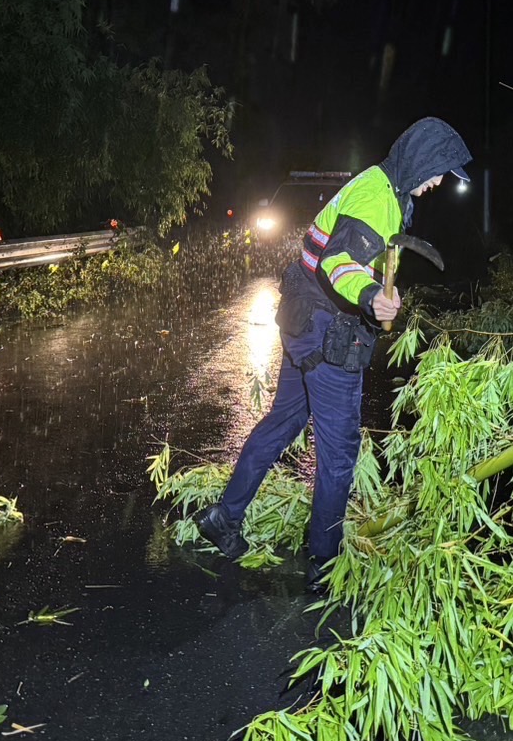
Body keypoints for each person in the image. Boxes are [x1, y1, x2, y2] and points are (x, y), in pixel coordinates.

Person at [195, 117, 472, 588]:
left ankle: (225, 516)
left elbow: (348, 260)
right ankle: (324, 565)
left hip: (303, 319)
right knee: (341, 454)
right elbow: (338, 262)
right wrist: (369, 297)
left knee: (282, 422)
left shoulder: (386, 187)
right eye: (440, 171)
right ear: (422, 159)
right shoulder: (375, 198)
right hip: (328, 329)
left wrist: (378, 289)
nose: (439, 183)